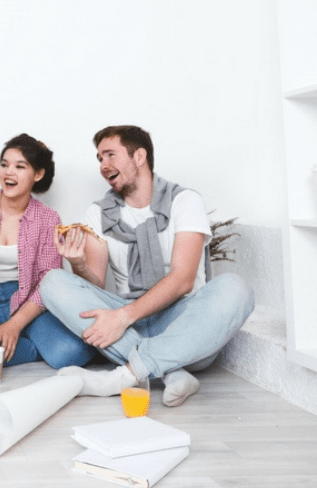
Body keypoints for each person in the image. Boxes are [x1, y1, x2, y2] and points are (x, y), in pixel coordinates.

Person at [41, 125, 254, 407]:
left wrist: (123, 317)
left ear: (139, 156)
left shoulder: (184, 201)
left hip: (183, 325)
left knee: (236, 289)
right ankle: (170, 371)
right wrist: (79, 263)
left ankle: (124, 376)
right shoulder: (98, 213)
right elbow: (95, 287)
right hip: (128, 329)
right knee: (53, 282)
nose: (103, 166)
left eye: (110, 155)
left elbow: (183, 280)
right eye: (99, 159)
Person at [0, 134, 96, 370]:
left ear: (37, 174)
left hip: (30, 305)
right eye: (4, 165)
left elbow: (49, 282)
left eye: (19, 166)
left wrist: (16, 324)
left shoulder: (49, 218)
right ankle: (28, 348)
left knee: (72, 351)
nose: (9, 172)